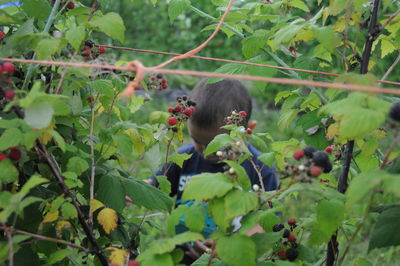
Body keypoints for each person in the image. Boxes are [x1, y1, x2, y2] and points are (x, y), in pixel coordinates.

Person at [148, 78, 278, 264]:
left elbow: (267, 221)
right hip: (183, 256)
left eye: (214, 144)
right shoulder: (184, 159)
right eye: (196, 140)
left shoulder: (259, 169)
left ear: (247, 131)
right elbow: (155, 187)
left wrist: (227, 247)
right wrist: (142, 187)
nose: (204, 151)